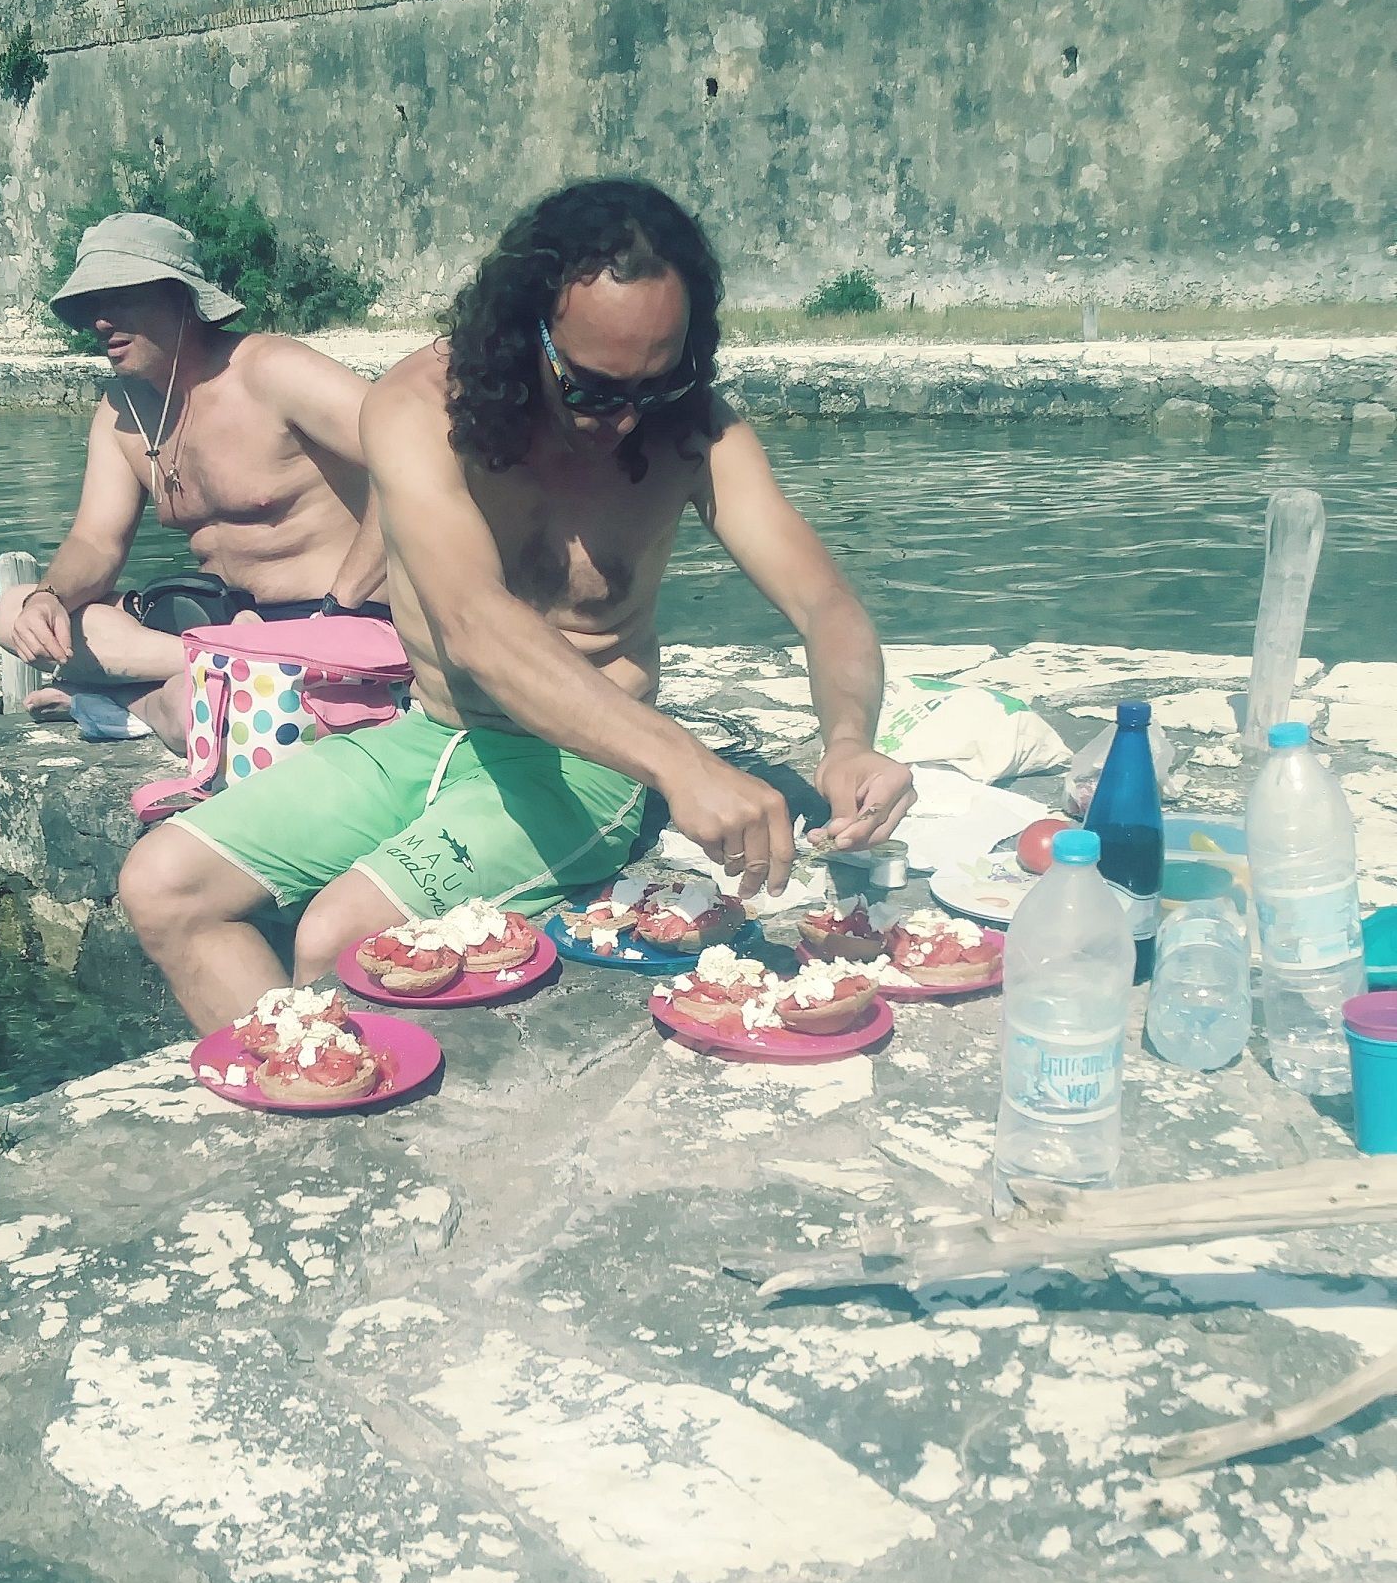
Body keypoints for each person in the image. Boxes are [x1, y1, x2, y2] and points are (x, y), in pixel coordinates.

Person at [119, 179, 915, 1029]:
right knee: (163, 886)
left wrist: (846, 742)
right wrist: (687, 763)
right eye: (594, 388)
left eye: (658, 380)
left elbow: (825, 603)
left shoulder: (691, 432)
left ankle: (345, 1102)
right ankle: (304, 1084)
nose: (624, 418)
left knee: (337, 936)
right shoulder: (418, 408)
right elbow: (473, 624)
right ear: (524, 331)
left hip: (585, 763)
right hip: (423, 732)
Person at [0, 213, 387, 744]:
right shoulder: (121, 410)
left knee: (201, 718)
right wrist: (49, 599)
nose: (101, 321)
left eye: (119, 298)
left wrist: (343, 602)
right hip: (224, 621)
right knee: (14, 612)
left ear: (180, 298)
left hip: (336, 623)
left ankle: (131, 701)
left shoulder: (272, 371)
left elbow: (417, 462)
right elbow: (95, 542)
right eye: (91, 306)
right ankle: (222, 662)